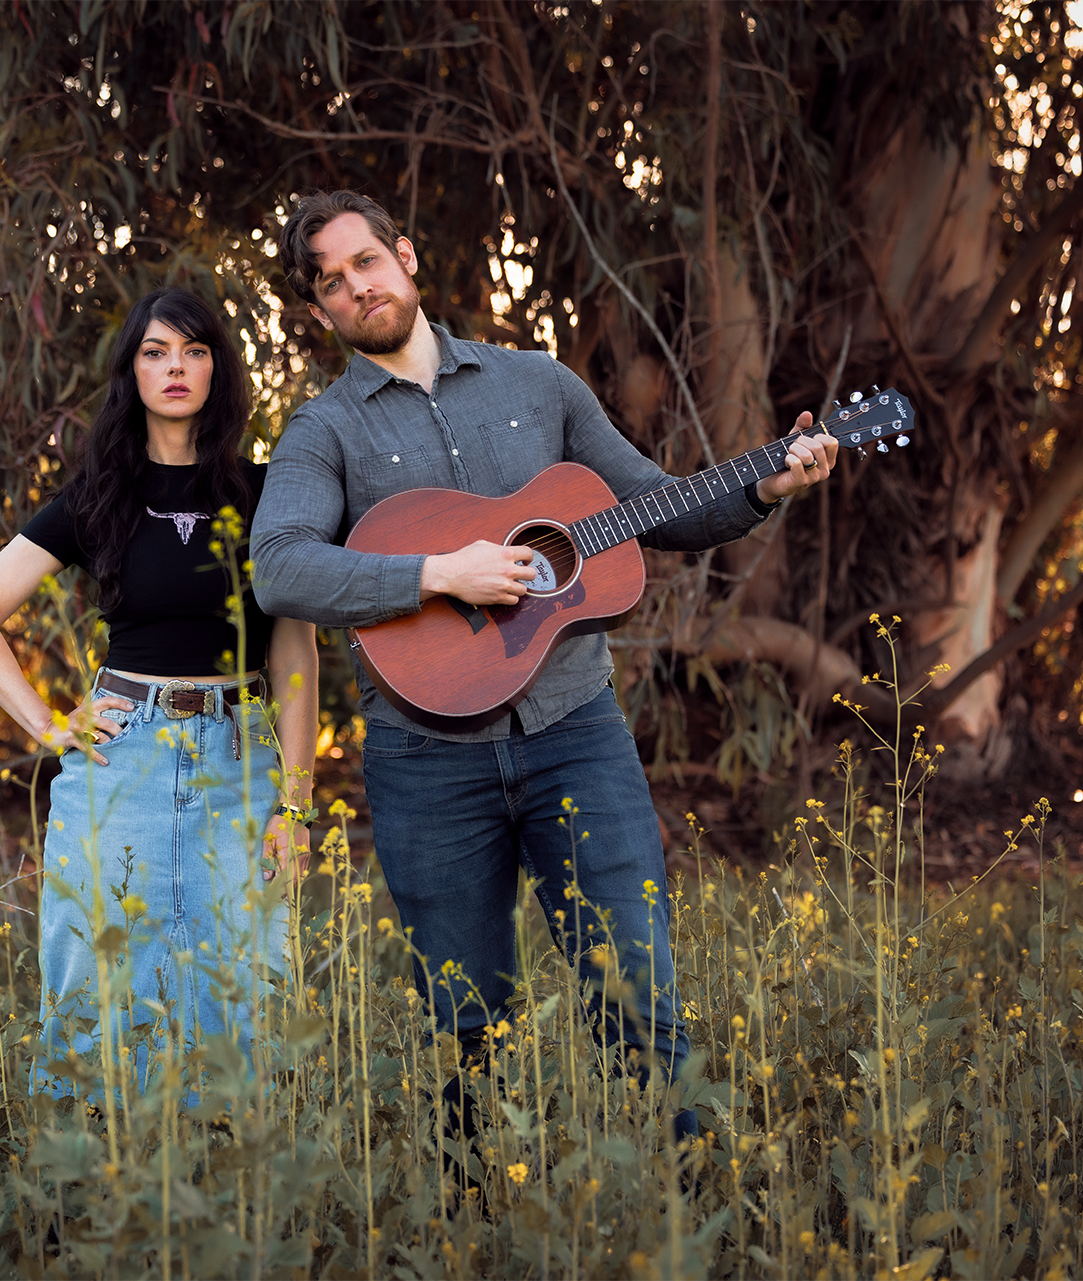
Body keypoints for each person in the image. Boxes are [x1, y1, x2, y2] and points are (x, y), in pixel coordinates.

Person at [249, 191, 836, 1136]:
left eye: (366, 262)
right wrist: (443, 572)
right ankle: (483, 1225)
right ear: (321, 314)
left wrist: (763, 481)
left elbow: (659, 505)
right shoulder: (324, 432)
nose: (358, 287)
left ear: (403, 255)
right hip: (425, 761)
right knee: (468, 1027)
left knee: (640, 996)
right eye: (331, 282)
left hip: (576, 737)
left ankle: (689, 1216)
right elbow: (279, 566)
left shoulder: (539, 385)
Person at [0, 286, 319, 1096]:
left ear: (218, 369)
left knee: (248, 979)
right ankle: (90, 1196)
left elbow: (295, 654)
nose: (175, 368)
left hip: (240, 755)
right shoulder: (97, 496)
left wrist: (295, 799)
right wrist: (49, 728)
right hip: (125, 759)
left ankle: (230, 1185)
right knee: (98, 980)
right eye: (155, 352)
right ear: (133, 372)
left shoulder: (264, 497)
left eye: (193, 350)